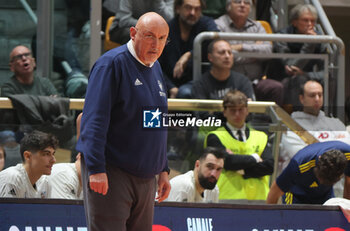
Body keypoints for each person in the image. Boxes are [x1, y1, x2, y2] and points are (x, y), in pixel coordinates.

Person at [76, 12, 171, 231]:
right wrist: (97, 169)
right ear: (133, 33)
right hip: (112, 171)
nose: (156, 44)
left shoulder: (155, 66)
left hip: (147, 175)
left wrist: (163, 169)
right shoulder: (110, 65)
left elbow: (156, 120)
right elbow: (94, 121)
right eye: (149, 36)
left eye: (162, 38)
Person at [205, 90, 273, 201]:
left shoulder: (261, 136)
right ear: (224, 111)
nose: (237, 114)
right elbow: (228, 162)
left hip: (259, 198)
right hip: (226, 198)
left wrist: (242, 170)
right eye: (232, 110)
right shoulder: (214, 136)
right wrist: (255, 158)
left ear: (247, 110)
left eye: (241, 109)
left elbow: (269, 166)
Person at [215, 0, 283, 105]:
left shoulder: (257, 26)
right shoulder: (218, 25)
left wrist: (241, 47)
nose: (242, 5)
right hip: (229, 82)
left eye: (246, 3)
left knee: (276, 87)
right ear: (228, 6)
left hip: (256, 81)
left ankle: (267, 121)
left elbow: (268, 52)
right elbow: (223, 56)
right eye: (238, 2)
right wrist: (255, 52)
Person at [159, 0, 219, 98]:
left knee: (186, 93)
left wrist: (189, 54)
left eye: (197, 9)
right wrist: (171, 88)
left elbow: (214, 37)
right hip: (169, 84)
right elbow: (157, 66)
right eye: (188, 8)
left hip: (198, 83)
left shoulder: (206, 23)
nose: (192, 13)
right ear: (178, 8)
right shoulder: (167, 29)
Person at [273, 4, 327, 109]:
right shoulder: (282, 36)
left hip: (306, 76)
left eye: (312, 21)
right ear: (294, 22)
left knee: (329, 80)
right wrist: (309, 44)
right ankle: (297, 119)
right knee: (298, 80)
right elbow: (291, 67)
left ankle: (327, 115)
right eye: (305, 20)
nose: (310, 24)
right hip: (282, 77)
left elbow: (325, 71)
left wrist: (307, 75)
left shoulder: (319, 38)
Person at [267, 141, 350, 204]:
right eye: (321, 179)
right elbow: (274, 191)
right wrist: (269, 221)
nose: (321, 182)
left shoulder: (348, 154)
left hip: (325, 195)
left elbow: (349, 183)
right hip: (296, 196)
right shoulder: (299, 164)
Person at [0, 130, 57, 198]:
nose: (53, 160)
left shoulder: (45, 182)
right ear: (28, 156)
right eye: (46, 154)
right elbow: (7, 209)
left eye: (53, 154)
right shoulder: (12, 178)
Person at [109, 0, 174, 45]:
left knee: (170, 38)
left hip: (156, 31)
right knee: (135, 35)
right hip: (122, 28)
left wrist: (158, 1)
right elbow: (124, 20)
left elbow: (169, 20)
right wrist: (148, 26)